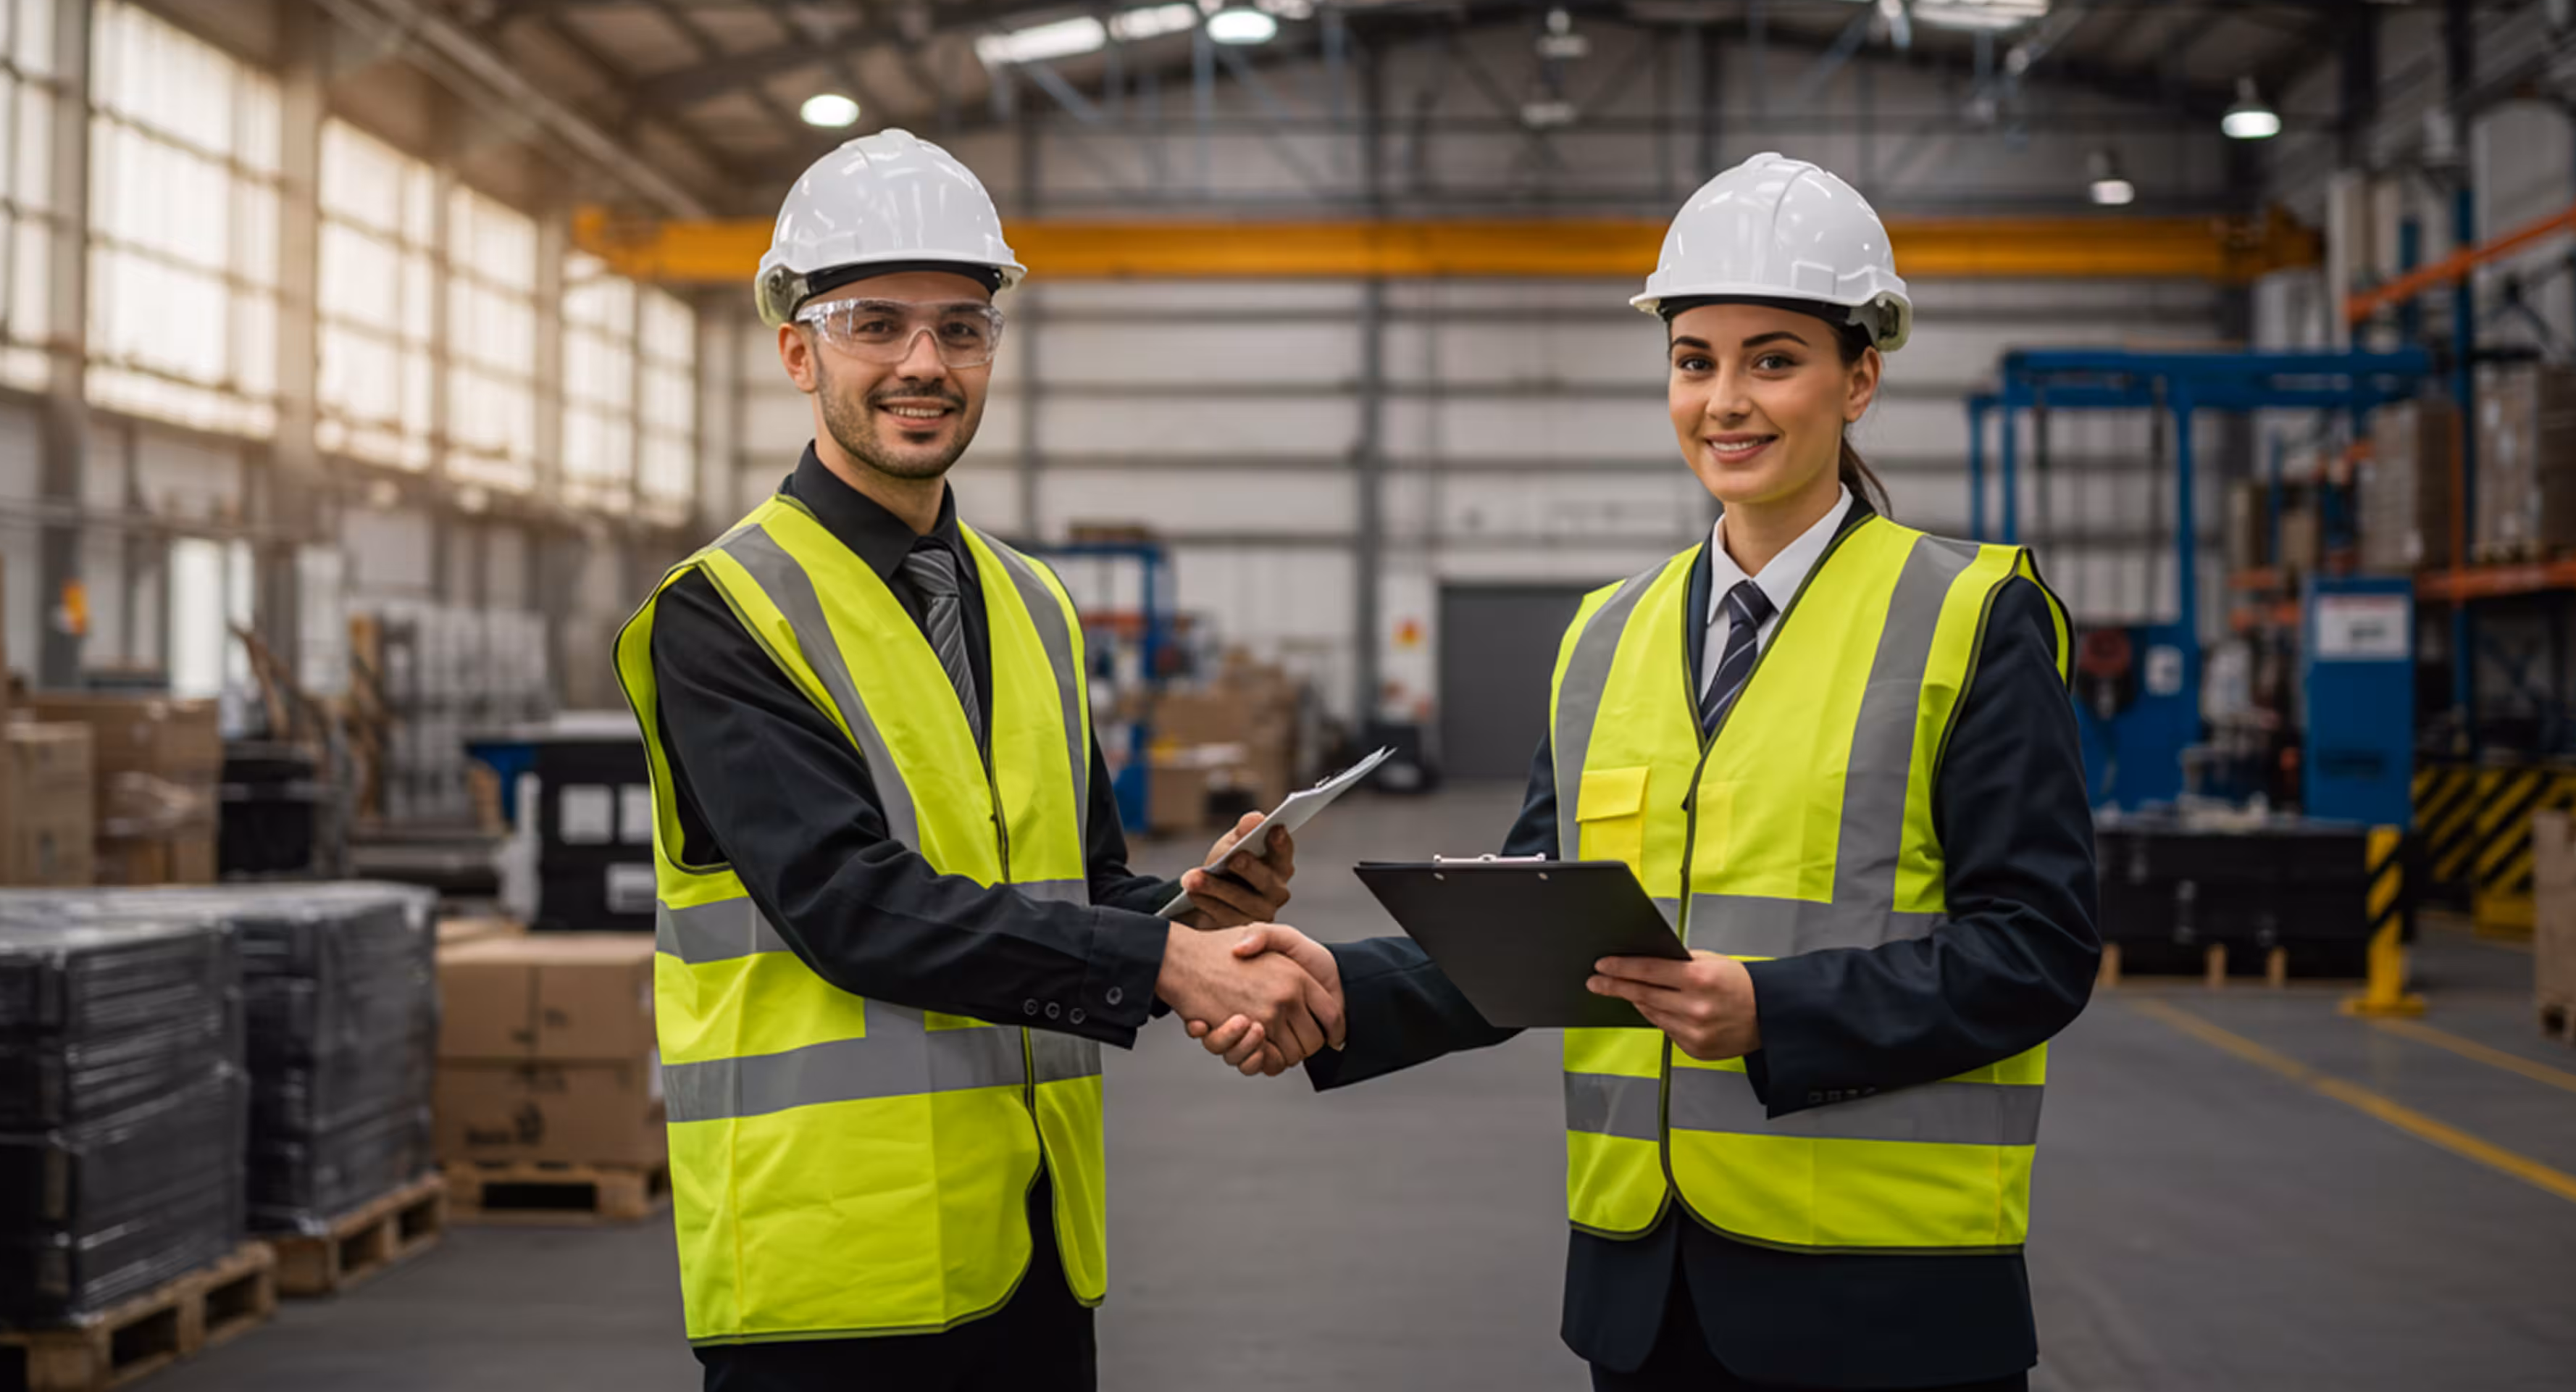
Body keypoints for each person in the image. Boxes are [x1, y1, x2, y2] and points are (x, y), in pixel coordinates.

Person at [1195, 152, 2102, 1391]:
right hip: (1648, 1291)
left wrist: (1770, 1013)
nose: (1726, 399)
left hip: (1887, 1293)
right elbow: (1543, 927)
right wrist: (1339, 988)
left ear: (1861, 377)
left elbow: (2036, 949)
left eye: (1774, 358)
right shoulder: (1606, 635)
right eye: (1695, 360)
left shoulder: (1970, 616)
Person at [611, 128, 1342, 1392]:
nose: (922, 363)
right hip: (834, 1269)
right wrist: (1159, 960)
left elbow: (1069, 880)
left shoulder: (1033, 604)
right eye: (875, 323)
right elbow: (849, 903)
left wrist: (1185, 912)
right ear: (798, 350)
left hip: (1035, 1240)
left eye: (961, 327)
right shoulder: (724, 611)